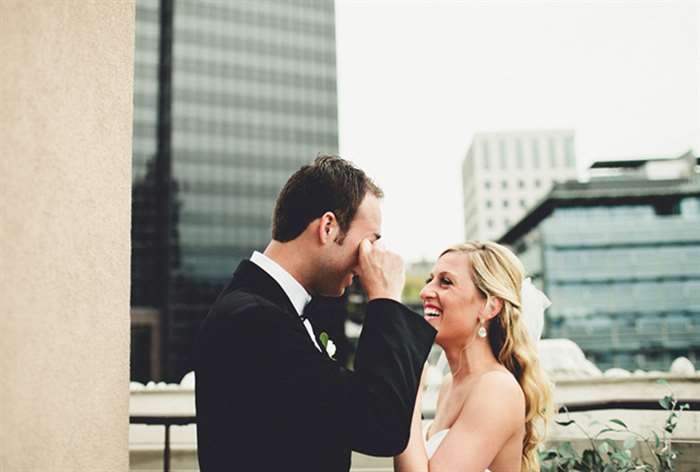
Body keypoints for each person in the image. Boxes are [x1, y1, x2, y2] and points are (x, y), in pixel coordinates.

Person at [194, 156, 436, 472]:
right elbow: (381, 426)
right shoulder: (254, 320)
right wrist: (386, 298)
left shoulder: (267, 309)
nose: (372, 258)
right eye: (371, 241)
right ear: (327, 227)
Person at [395, 241, 553, 472]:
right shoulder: (449, 386)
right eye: (431, 280)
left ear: (490, 307)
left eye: (446, 282)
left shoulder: (497, 388)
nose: (425, 291)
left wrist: (410, 390)